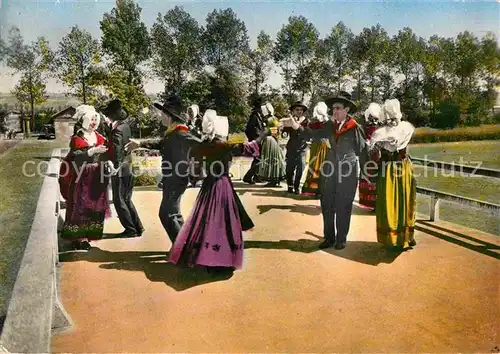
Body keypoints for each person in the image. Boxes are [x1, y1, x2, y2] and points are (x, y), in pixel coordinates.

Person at [168, 109, 270, 273]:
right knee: (224, 222)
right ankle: (222, 260)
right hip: (222, 184)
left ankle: (209, 259)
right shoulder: (223, 146)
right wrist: (263, 134)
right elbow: (250, 147)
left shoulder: (203, 146)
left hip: (209, 185)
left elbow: (194, 170)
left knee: (209, 221)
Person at [282, 91, 368, 250]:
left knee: (343, 205)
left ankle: (341, 239)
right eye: (333, 108)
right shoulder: (328, 125)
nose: (334, 111)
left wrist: (367, 174)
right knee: (327, 204)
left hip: (347, 172)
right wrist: (296, 126)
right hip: (329, 170)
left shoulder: (355, 128)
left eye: (338, 108)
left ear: (347, 109)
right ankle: (329, 237)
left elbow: (363, 152)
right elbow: (311, 135)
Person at [126, 95, 202, 244]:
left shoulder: (181, 133)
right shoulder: (173, 132)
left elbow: (199, 144)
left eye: (162, 113)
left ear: (169, 116)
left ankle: (182, 249)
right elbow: (160, 143)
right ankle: (185, 244)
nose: (160, 115)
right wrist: (140, 143)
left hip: (177, 178)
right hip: (172, 178)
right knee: (173, 214)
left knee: (167, 213)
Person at [60, 105, 111, 250]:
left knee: (94, 206)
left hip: (97, 175)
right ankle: (79, 238)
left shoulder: (100, 137)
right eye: (91, 119)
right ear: (84, 120)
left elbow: (106, 153)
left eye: (96, 119)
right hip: (82, 175)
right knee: (81, 206)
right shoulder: (77, 138)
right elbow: (76, 157)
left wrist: (108, 161)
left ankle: (89, 235)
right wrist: (92, 151)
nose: (94, 122)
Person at [368, 99, 417, 249]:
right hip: (388, 170)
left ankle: (408, 235)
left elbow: (402, 144)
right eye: (388, 116)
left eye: (393, 116)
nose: (390, 120)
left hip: (403, 167)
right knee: (388, 201)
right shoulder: (380, 133)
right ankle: (391, 237)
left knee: (405, 199)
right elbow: (373, 155)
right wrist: (376, 146)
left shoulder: (405, 128)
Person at [100, 99, 144, 238]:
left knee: (119, 200)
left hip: (119, 168)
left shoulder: (117, 130)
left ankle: (130, 229)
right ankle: (138, 227)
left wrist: (115, 167)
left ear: (111, 116)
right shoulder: (125, 127)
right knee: (127, 198)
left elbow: (118, 150)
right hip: (128, 166)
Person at [358, 102, 383, 211]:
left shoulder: (380, 126)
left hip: (376, 154)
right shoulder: (363, 125)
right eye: (371, 118)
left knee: (376, 178)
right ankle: (369, 203)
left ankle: (377, 204)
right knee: (366, 176)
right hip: (365, 152)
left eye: (375, 118)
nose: (373, 120)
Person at [301, 102, 330, 198]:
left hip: (316, 145)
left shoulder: (313, 122)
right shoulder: (327, 121)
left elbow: (308, 133)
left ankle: (315, 189)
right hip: (324, 145)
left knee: (315, 165)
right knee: (321, 166)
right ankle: (320, 190)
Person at [282, 101, 309, 194]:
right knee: (289, 168)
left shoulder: (306, 121)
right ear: (293, 111)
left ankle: (297, 186)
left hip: (302, 148)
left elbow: (307, 133)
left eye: (301, 110)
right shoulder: (289, 121)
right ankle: (290, 185)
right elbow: (284, 133)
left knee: (301, 167)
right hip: (291, 148)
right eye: (297, 110)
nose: (299, 111)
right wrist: (284, 134)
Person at [257, 102, 286, 187]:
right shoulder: (274, 118)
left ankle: (273, 179)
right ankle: (275, 179)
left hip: (269, 140)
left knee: (270, 160)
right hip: (273, 140)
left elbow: (270, 131)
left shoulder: (268, 120)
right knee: (274, 159)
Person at [243, 96, 267, 184]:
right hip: (256, 141)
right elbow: (249, 129)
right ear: (259, 107)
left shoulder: (258, 116)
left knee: (259, 159)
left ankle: (256, 176)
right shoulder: (254, 116)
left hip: (257, 140)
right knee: (258, 159)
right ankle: (248, 177)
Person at [186, 104, 205, 188]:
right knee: (190, 162)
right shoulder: (188, 122)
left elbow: (204, 132)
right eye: (189, 112)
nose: (190, 113)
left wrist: (196, 131)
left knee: (199, 161)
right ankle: (191, 180)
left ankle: (200, 179)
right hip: (191, 144)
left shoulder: (201, 121)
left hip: (199, 144)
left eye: (191, 112)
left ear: (196, 112)